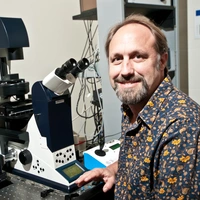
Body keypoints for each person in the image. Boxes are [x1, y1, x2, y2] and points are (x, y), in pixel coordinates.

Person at [75, 14, 200, 199]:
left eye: (138, 57)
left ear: (162, 61)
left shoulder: (181, 127)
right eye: (117, 59)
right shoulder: (134, 106)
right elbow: (142, 161)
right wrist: (112, 170)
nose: (125, 71)